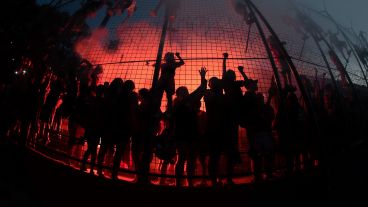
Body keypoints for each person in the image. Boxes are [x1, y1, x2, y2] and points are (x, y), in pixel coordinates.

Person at [173, 67, 208, 187]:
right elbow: (202, 90)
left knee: (183, 159)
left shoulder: (176, 105)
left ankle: (181, 183)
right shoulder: (187, 102)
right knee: (188, 159)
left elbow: (201, 90)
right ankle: (189, 183)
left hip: (184, 135)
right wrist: (203, 77)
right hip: (190, 134)